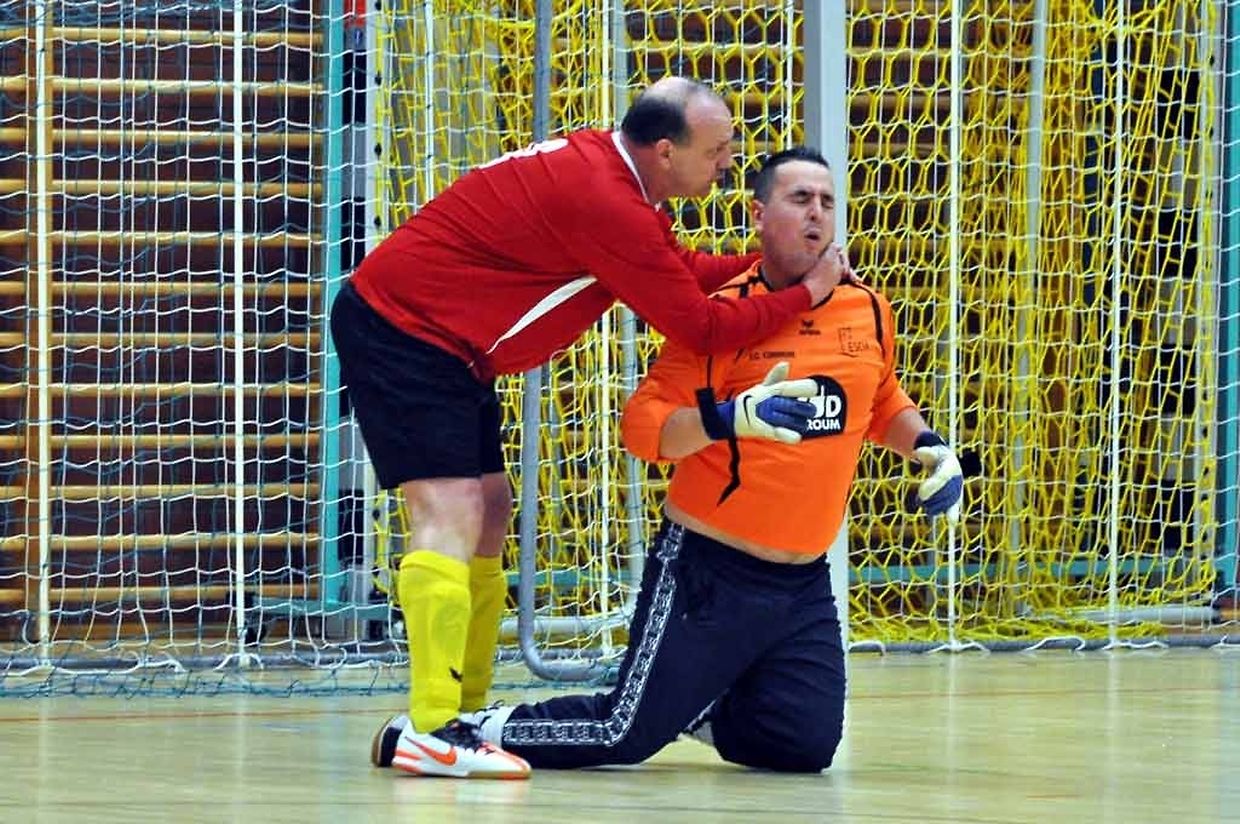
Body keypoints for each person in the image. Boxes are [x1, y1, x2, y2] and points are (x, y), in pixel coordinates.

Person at [367, 146, 965, 774]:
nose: (817, 213)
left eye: (826, 201)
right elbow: (644, 428)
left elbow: (881, 398)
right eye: (799, 199)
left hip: (802, 582)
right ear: (759, 215)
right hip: (709, 570)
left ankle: (689, 707)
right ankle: (470, 727)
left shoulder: (866, 306)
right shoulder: (725, 314)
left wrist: (928, 446)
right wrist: (730, 418)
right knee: (620, 735)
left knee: (802, 744)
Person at [333, 78, 846, 779]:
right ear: (665, 151)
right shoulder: (608, 201)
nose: (728, 164)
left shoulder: (619, 181)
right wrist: (804, 293)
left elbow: (679, 270)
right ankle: (431, 726)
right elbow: (699, 324)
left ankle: (466, 715)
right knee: (450, 509)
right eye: (717, 150)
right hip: (404, 329)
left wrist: (766, 271)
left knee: (491, 509)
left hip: (449, 344)